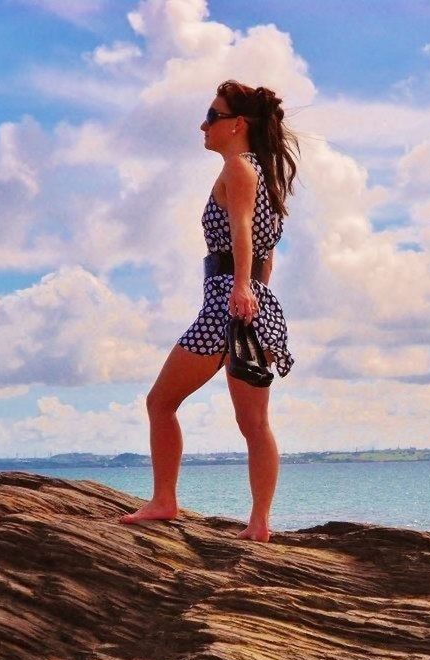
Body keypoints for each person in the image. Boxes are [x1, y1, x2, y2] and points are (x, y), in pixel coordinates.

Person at [119, 80, 298, 543]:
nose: (204, 124)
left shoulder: (239, 167)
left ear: (237, 125)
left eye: (212, 116)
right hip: (256, 303)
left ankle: (164, 501)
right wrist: (254, 294)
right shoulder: (265, 174)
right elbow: (267, 253)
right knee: (254, 423)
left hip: (227, 300)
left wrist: (238, 289)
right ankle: (259, 524)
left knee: (160, 402)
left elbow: (241, 231)